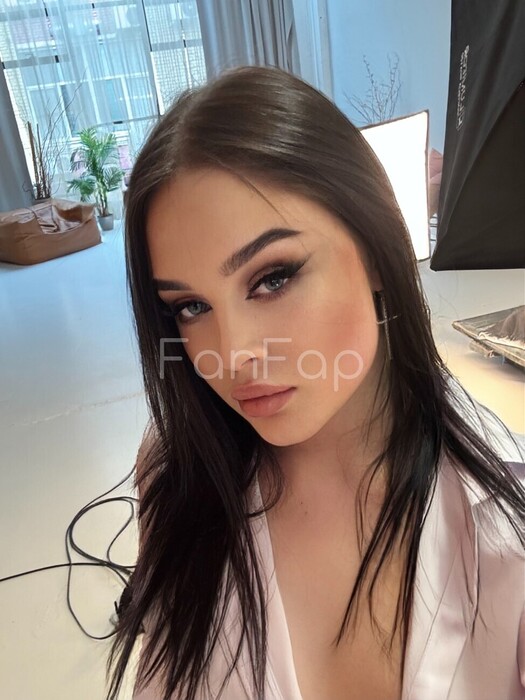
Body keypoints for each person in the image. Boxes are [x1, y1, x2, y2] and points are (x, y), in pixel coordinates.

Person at [105, 66, 525, 700]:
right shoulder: (179, 476)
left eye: (272, 278)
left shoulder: (505, 518)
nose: (232, 355)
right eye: (190, 307)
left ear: (377, 247)